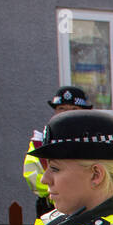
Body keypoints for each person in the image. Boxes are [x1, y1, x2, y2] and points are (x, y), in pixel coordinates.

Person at [24, 86, 92, 217]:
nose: (67, 113)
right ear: (55, 112)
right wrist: (67, 190)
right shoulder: (40, 141)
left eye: (74, 109)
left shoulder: (94, 139)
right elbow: (34, 178)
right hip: (51, 206)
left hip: (86, 206)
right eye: (61, 109)